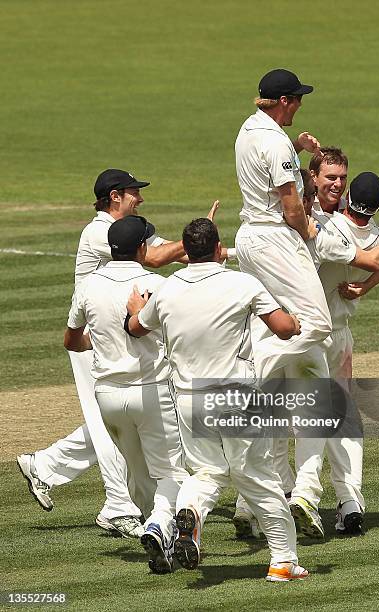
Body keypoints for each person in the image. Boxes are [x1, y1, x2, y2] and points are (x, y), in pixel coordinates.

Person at [17, 169, 217, 538]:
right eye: (132, 193)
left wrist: (202, 251)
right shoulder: (100, 231)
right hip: (95, 339)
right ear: (114, 197)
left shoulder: (128, 228)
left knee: (117, 414)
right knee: (109, 419)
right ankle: (117, 507)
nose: (138, 198)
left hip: (112, 336)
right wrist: (200, 233)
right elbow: (156, 258)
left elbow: (166, 250)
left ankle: (43, 466)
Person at [126, 218, 310, 582]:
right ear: (218, 248)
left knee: (207, 473)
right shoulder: (242, 282)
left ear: (186, 250)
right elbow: (285, 330)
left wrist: (135, 307)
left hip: (191, 399)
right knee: (258, 477)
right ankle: (283, 562)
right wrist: (297, 320)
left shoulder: (168, 289)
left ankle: (190, 513)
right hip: (236, 396)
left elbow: (136, 328)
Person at [64, 215, 188, 573]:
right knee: (172, 473)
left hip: (107, 396)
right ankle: (158, 525)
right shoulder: (155, 284)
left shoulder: (88, 286)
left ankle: (160, 540)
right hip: (150, 391)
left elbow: (71, 340)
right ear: (140, 248)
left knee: (137, 475)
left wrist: (99, 342)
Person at [290, 169, 379, 536]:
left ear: (348, 196)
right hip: (340, 337)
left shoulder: (329, 225)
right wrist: (366, 287)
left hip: (307, 334)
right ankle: (350, 500)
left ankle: (292, 493)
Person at [234, 68, 332, 385]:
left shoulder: (249, 129)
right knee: (318, 322)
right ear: (284, 101)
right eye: (298, 100)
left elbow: (267, 162)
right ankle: (250, 371)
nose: (300, 106)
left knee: (267, 321)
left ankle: (256, 384)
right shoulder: (275, 143)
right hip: (274, 238)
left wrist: (297, 146)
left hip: (250, 235)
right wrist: (307, 232)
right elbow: (291, 204)